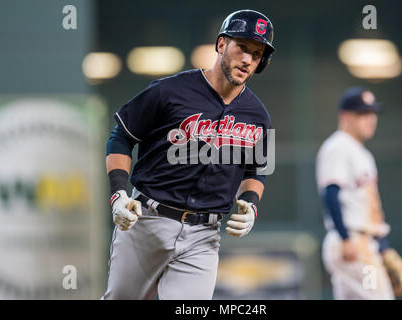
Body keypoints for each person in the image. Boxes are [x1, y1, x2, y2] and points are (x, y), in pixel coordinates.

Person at [102, 9, 275, 300]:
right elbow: (121, 137)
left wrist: (250, 203)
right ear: (221, 44)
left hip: (203, 235)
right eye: (243, 47)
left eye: (257, 54)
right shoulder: (169, 91)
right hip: (147, 220)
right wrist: (119, 194)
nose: (248, 59)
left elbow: (256, 170)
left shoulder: (259, 116)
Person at [315, 87, 402, 300]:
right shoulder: (338, 146)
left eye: (372, 113)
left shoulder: (363, 153)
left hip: (364, 242)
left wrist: (383, 247)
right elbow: (331, 193)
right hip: (353, 244)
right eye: (363, 114)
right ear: (345, 116)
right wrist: (345, 238)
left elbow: (370, 207)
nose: (370, 119)